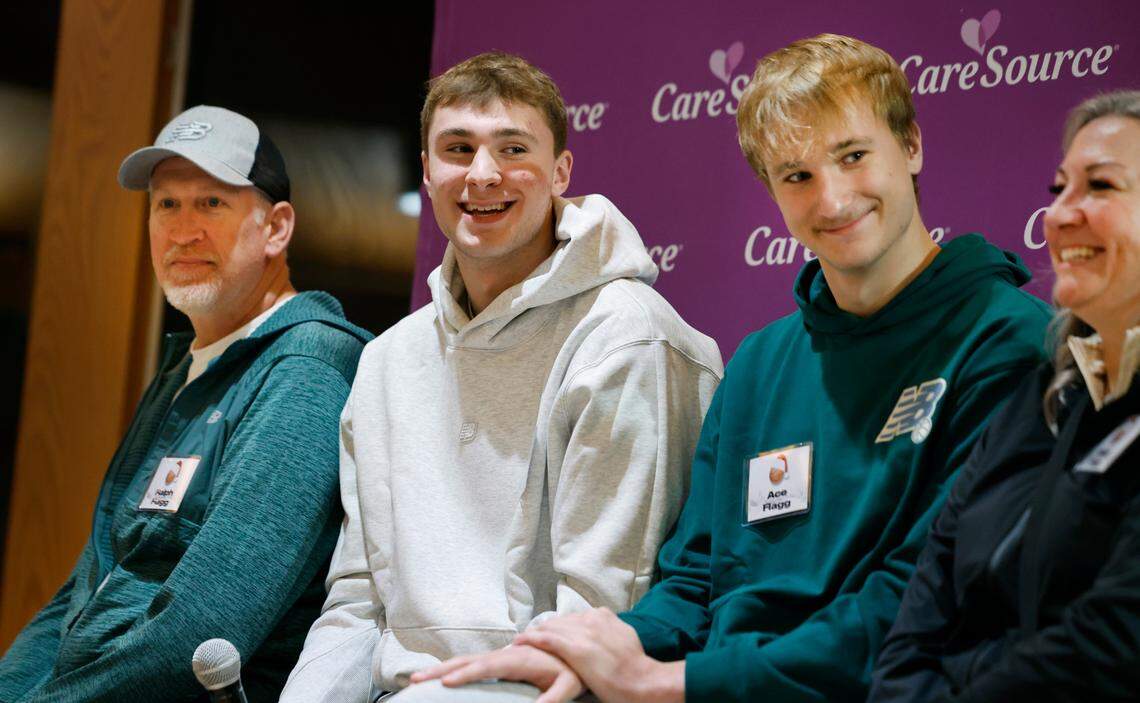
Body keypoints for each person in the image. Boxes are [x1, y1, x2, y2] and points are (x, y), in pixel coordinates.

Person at [412, 34, 1053, 703]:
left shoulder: (1008, 340)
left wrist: (674, 681)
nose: (831, 199)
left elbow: (921, 601)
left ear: (911, 147)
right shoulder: (759, 362)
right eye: (796, 175)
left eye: (853, 156)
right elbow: (693, 581)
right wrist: (603, 649)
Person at [279, 53, 723, 703]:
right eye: (458, 148)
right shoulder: (388, 359)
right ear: (427, 171)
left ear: (561, 171)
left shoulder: (627, 339)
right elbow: (356, 604)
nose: (483, 174)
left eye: (512, 147)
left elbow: (598, 629)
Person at [0, 105, 371, 703]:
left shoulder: (308, 366)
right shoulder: (188, 365)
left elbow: (202, 631)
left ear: (276, 228)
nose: (183, 230)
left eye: (212, 204)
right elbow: (86, 590)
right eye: (166, 204)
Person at [869, 90, 1140, 702]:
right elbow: (923, 606)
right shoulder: (1045, 394)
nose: (1062, 215)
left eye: (1100, 187)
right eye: (1059, 189)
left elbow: (1114, 640)